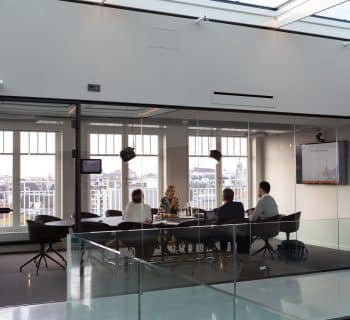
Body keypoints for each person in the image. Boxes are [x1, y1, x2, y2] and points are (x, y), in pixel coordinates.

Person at [215, 188, 245, 252]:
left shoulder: (221, 209)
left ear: (223, 197)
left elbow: (218, 224)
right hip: (240, 232)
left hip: (226, 234)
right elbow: (242, 217)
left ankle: (222, 252)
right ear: (233, 196)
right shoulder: (240, 205)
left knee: (220, 233)